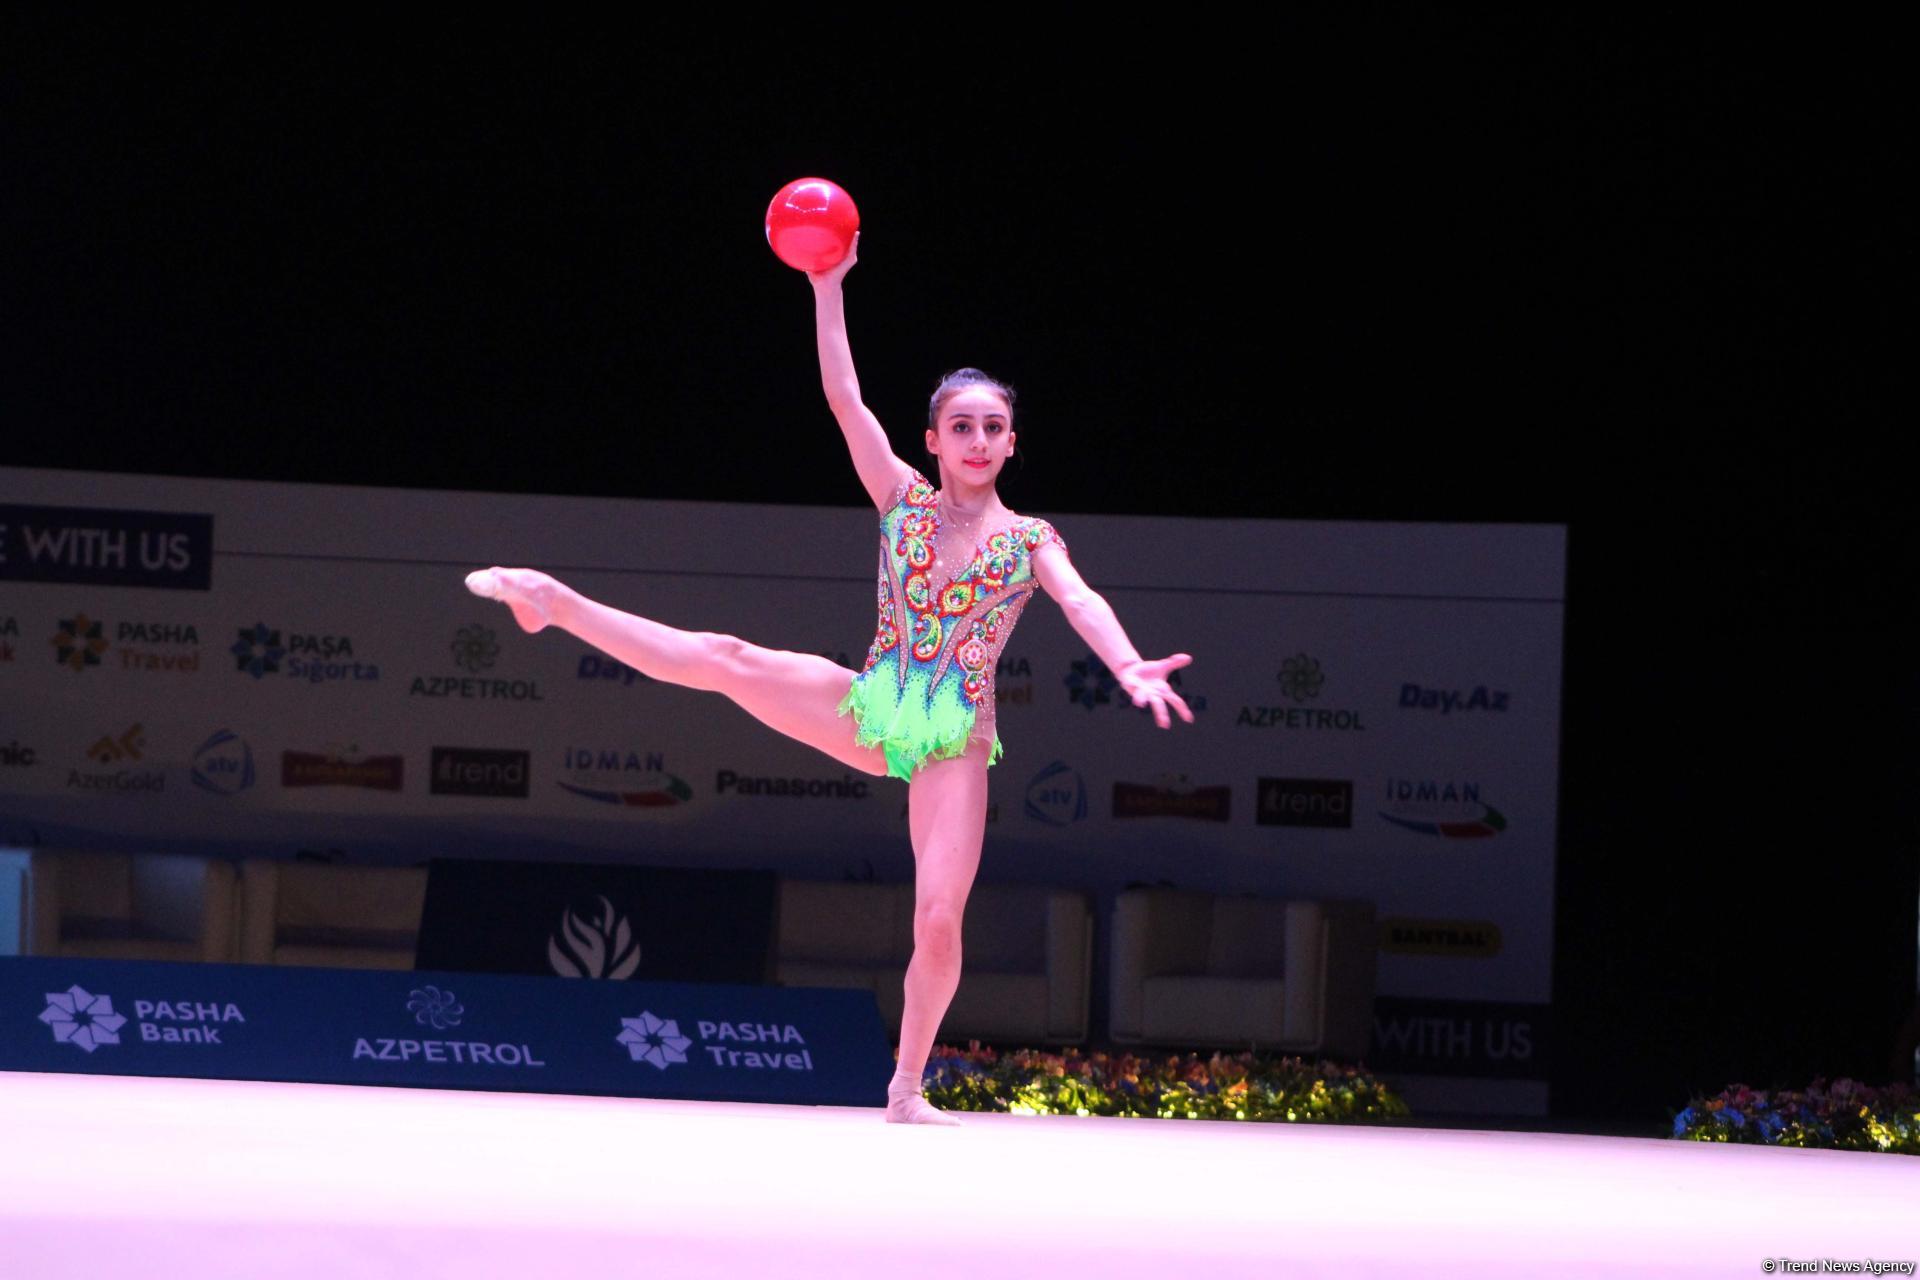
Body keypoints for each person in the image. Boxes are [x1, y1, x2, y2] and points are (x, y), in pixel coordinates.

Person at [465, 232, 1193, 1124]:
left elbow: (1080, 600)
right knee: (729, 660)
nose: (975, 438)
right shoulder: (900, 501)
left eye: (991, 426)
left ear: (1011, 444)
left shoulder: (1029, 539)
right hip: (870, 703)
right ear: (932, 439)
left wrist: (1126, 661)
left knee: (937, 921)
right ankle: (553, 603)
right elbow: (843, 397)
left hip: (955, 739)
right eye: (959, 425)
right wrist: (826, 285)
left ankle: (905, 1086)